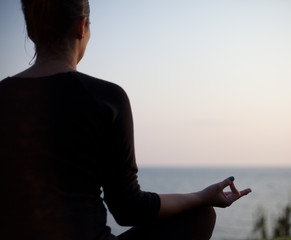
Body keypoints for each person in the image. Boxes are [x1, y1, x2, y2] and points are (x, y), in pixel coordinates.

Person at [0, 0, 252, 239]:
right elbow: (129, 209)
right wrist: (202, 197)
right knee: (201, 216)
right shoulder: (106, 98)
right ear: (81, 26)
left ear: (31, 31)